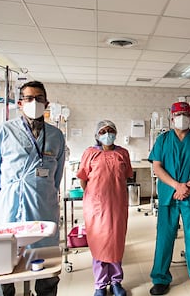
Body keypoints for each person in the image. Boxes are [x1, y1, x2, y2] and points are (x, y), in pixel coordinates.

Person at [0, 80, 66, 296]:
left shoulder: (56, 136)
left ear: (46, 103)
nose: (34, 102)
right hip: (10, 207)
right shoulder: (2, 132)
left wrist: (43, 189)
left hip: (43, 207)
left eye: (39, 98)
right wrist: (9, 190)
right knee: (2, 270)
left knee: (46, 268)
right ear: (20, 102)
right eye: (29, 98)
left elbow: (57, 174)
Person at [148, 101, 190, 296]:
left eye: (185, 115)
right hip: (168, 195)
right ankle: (160, 278)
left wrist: (187, 186)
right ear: (171, 118)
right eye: (178, 115)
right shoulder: (162, 140)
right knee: (164, 237)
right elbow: (157, 167)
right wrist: (176, 186)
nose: (181, 119)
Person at [77, 120, 133, 296]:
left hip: (117, 205)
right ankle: (100, 284)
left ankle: (116, 282)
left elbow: (126, 176)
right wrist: (94, 197)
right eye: (103, 131)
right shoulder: (90, 153)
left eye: (110, 130)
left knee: (115, 243)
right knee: (99, 243)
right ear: (97, 135)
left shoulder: (123, 153)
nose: (107, 134)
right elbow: (83, 178)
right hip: (96, 207)